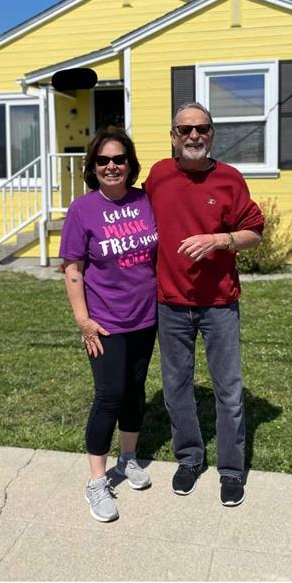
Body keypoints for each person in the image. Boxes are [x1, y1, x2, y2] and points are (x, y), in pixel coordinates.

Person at [144, 103, 264, 508]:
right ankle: (190, 458)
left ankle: (231, 470)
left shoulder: (230, 179)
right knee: (176, 388)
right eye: (185, 130)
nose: (194, 136)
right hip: (171, 303)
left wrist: (219, 240)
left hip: (219, 304)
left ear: (212, 134)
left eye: (202, 129)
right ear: (173, 136)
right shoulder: (159, 175)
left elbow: (254, 232)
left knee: (228, 390)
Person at [59, 127, 158, 524]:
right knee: (109, 394)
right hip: (105, 323)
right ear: (93, 167)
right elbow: (72, 268)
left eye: (119, 159)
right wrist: (83, 321)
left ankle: (129, 458)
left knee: (135, 391)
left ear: (130, 164)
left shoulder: (145, 200)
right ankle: (97, 481)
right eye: (103, 160)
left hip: (145, 317)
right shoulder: (82, 209)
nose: (112, 166)